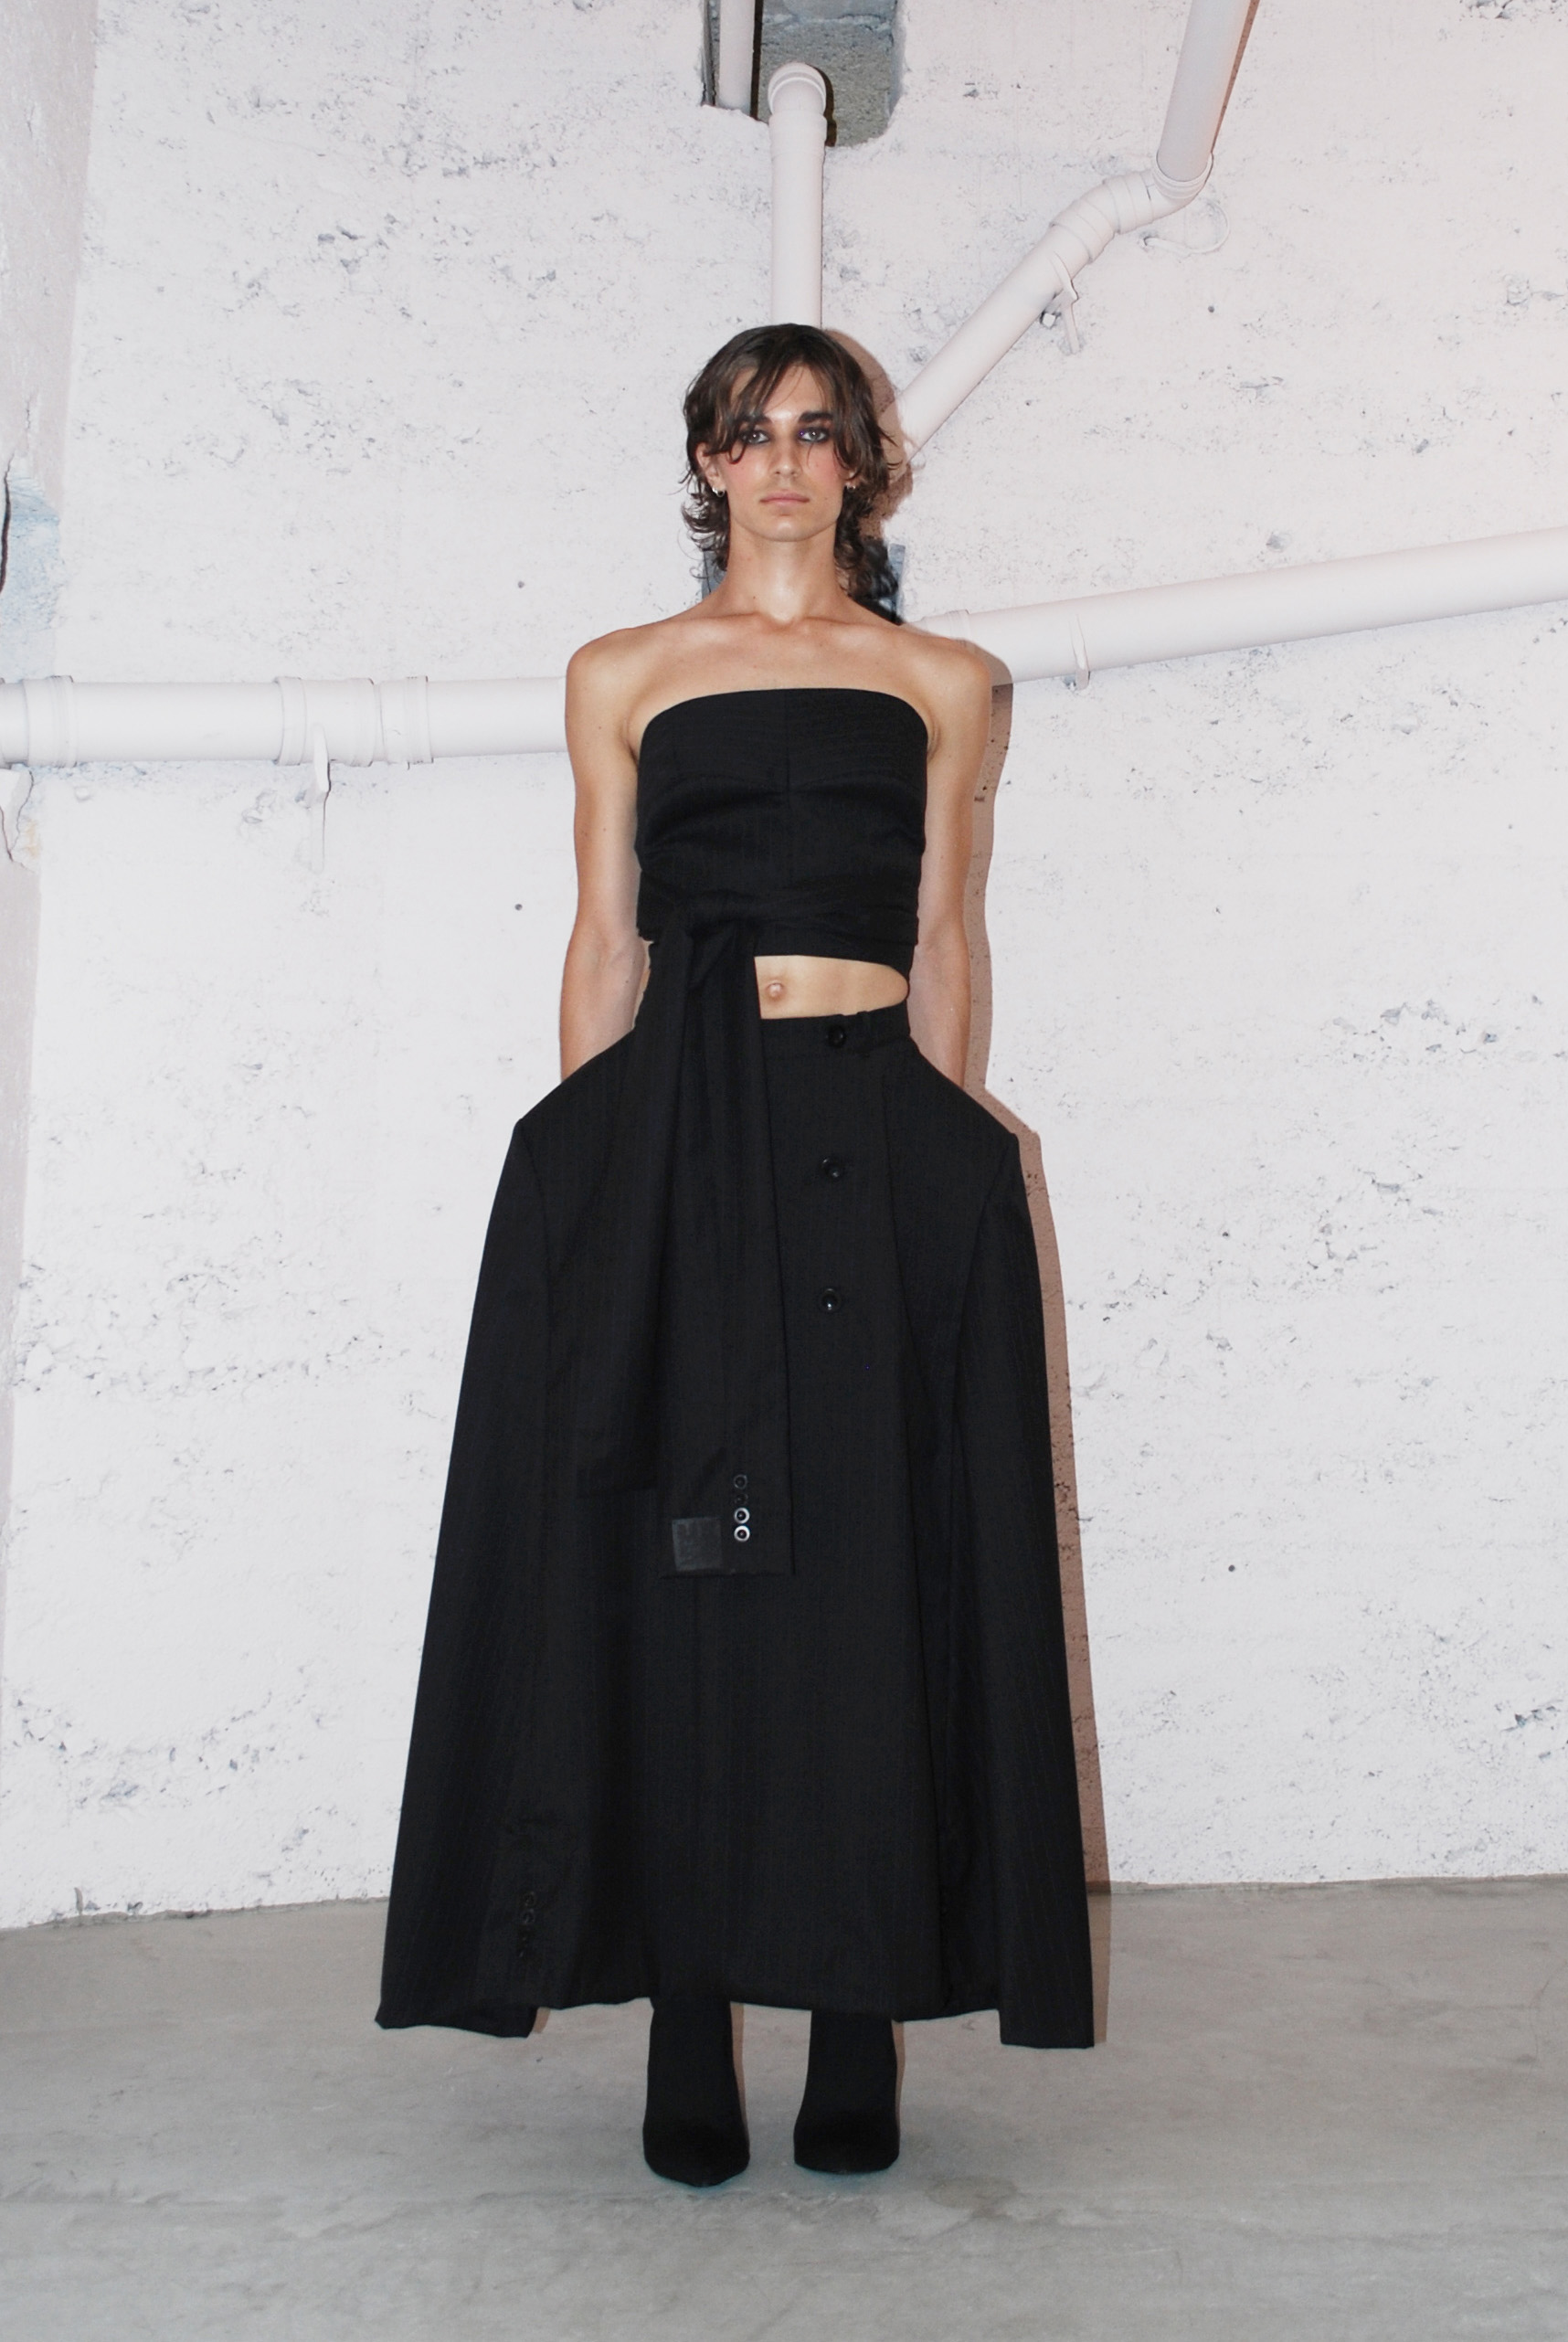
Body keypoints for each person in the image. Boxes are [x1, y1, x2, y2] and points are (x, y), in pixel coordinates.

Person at [376, 323, 1095, 2187]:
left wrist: (946, 1154)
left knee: (864, 1564)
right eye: (749, 432)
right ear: (706, 464)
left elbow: (947, 934)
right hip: (678, 1136)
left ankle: (857, 2017)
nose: (783, 461)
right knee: (679, 1564)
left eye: (816, 432)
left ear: (862, 466)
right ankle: (688, 2018)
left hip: (874, 1133)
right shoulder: (624, 672)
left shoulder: (942, 680)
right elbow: (606, 933)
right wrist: (595, 1177)